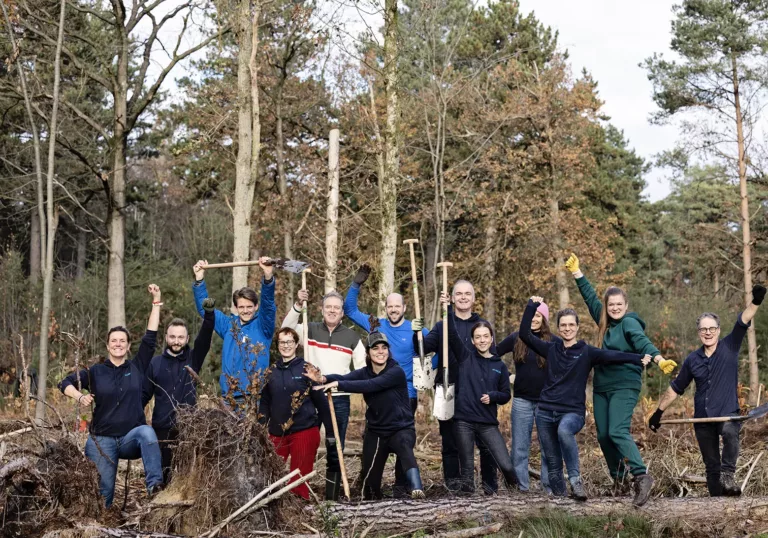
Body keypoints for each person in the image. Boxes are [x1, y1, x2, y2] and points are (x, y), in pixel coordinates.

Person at [564, 253, 675, 504]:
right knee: (603, 435)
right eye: (610, 304)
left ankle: (641, 476)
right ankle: (619, 479)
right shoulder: (604, 321)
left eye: (618, 304)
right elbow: (591, 298)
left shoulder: (629, 324)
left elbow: (642, 342)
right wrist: (577, 273)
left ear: (626, 305)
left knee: (617, 430)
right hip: (602, 386)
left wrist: (658, 358)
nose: (614, 308)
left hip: (625, 383)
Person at [519, 296, 651, 502]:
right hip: (545, 411)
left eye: (571, 324)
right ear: (558, 328)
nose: (567, 328)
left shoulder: (586, 352)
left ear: (578, 327)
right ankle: (561, 501)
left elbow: (612, 356)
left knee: (564, 431)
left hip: (572, 412)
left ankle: (575, 480)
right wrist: (531, 306)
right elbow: (524, 334)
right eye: (563, 325)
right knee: (552, 460)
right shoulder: (550, 348)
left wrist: (638, 358)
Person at [648, 284, 766, 497]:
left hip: (727, 414)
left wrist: (756, 301)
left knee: (730, 433)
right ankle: (717, 502)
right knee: (711, 465)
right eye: (704, 329)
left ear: (718, 331)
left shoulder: (730, 346)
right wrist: (658, 412)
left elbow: (744, 319)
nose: (708, 332)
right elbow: (676, 388)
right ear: (699, 333)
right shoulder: (693, 360)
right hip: (702, 419)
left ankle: (728, 474)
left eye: (712, 328)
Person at [59, 285, 164, 508]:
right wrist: (79, 396)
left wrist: (156, 301)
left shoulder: (137, 367)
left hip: (130, 439)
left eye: (122, 341)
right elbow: (64, 382)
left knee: (147, 431)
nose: (118, 344)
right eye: (114, 341)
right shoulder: (96, 371)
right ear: (107, 345)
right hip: (102, 441)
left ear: (127, 347)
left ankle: (155, 487)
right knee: (104, 497)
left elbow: (151, 338)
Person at [305, 331, 426, 500]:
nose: (380, 351)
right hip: (376, 431)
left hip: (401, 428)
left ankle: (416, 489)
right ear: (368, 353)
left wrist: (339, 385)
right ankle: (373, 500)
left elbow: (371, 385)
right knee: (370, 478)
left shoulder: (396, 371)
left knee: (405, 448)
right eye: (375, 348)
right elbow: (344, 377)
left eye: (384, 348)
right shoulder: (365, 372)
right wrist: (323, 378)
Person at [412, 279, 499, 494]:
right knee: (450, 442)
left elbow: (492, 358)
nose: (463, 297)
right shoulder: (443, 324)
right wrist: (417, 333)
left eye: (467, 294)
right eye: (458, 293)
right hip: (447, 389)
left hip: (477, 391)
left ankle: (489, 487)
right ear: (452, 298)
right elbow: (424, 348)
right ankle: (453, 485)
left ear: (474, 298)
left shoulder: (481, 327)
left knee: (485, 442)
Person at [281, 288, 366, 499]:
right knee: (305, 446)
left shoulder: (352, 336)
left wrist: (343, 383)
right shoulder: (309, 328)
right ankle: (300, 494)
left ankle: (331, 498)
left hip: (338, 399)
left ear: (342, 312)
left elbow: (363, 369)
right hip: (310, 399)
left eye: (336, 307)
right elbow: (285, 329)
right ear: (321, 309)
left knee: (334, 447)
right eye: (328, 307)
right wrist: (298, 306)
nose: (332, 310)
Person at [441, 292, 519, 494]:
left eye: (486, 336)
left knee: (507, 465)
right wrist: (448, 307)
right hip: (463, 421)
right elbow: (450, 333)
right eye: (478, 337)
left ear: (492, 338)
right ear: (473, 341)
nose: (482, 340)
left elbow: (505, 395)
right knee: (466, 471)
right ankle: (469, 508)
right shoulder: (465, 357)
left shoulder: (499, 366)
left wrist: (493, 396)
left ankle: (515, 497)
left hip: (487, 423)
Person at [143, 298, 216, 485]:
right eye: (173, 337)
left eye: (180, 337)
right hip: (162, 428)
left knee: (187, 474)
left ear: (187, 339)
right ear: (166, 337)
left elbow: (205, 337)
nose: (176, 341)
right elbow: (144, 395)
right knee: (164, 473)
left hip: (188, 427)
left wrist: (209, 314)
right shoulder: (155, 363)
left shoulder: (194, 359)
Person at [258, 327, 334, 500]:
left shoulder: (306, 369)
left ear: (296, 344)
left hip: (304, 431)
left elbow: (321, 403)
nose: (286, 346)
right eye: (282, 342)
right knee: (270, 475)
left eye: (289, 342)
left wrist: (329, 431)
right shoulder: (271, 372)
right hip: (277, 433)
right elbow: (265, 402)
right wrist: (260, 426)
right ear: (277, 345)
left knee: (298, 481)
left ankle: (298, 512)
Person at [192, 258, 276, 407]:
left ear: (256, 306)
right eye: (242, 307)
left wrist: (268, 276)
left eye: (249, 306)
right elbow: (206, 311)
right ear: (236, 308)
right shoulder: (229, 326)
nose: (246, 310)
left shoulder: (263, 327)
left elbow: (268, 305)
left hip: (254, 399)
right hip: (228, 398)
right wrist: (199, 280)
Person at [344, 264, 427, 412]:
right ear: (386, 308)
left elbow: (440, 347)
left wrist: (424, 368)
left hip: (406, 393)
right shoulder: (376, 324)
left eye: (397, 306)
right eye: (390, 307)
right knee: (374, 433)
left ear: (404, 308)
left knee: (402, 434)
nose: (394, 310)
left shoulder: (416, 329)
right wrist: (355, 285)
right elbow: (350, 310)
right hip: (379, 390)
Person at [496, 300, 558, 493]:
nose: (533, 319)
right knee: (520, 447)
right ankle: (521, 488)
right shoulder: (516, 338)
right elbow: (493, 355)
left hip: (546, 403)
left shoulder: (554, 342)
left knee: (547, 447)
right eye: (531, 315)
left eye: (538, 316)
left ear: (544, 319)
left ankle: (548, 488)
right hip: (522, 400)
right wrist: (507, 376)